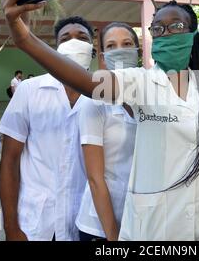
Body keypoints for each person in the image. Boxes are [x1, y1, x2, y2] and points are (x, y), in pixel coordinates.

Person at [2, 0, 199, 241]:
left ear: (193, 34)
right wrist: (24, 38)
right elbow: (90, 83)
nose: (165, 33)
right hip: (152, 231)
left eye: (176, 27)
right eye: (157, 29)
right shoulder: (140, 82)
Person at [0, 16, 94, 241]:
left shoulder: (103, 96)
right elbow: (10, 161)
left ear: (92, 48)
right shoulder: (29, 91)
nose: (74, 42)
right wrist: (11, 229)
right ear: (56, 48)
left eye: (82, 38)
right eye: (66, 38)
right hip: (37, 226)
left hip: (87, 224)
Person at [76, 22, 139, 241]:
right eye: (111, 46)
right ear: (103, 57)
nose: (120, 50)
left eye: (127, 43)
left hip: (140, 222)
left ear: (138, 51)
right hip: (101, 227)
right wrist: (113, 236)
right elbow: (95, 178)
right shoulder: (95, 102)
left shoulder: (151, 97)